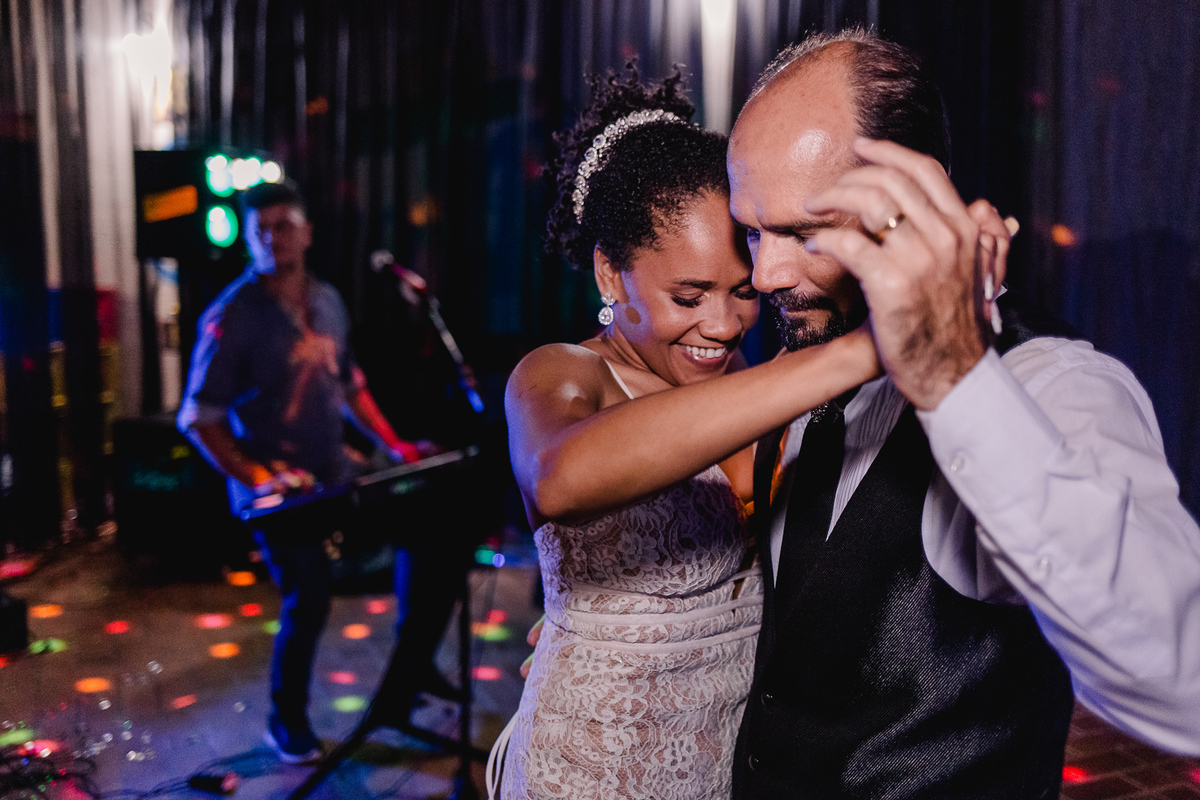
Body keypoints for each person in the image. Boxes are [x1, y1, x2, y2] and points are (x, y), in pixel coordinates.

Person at [725, 28, 1200, 798]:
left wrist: (955, 382)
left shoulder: (1055, 386)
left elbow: (1183, 678)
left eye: (804, 232)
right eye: (752, 229)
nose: (766, 272)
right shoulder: (805, 365)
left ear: (917, 200)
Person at [494, 68, 881, 799]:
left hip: (722, 761)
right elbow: (560, 475)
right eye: (688, 295)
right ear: (611, 275)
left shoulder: (749, 383)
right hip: (596, 766)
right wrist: (866, 349)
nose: (724, 324)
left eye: (741, 291)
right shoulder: (563, 374)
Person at [177, 180, 461, 764]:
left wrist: (394, 445)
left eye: (282, 226)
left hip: (334, 471)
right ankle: (286, 723)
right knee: (309, 597)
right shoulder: (230, 316)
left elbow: (349, 386)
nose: (270, 238)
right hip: (276, 490)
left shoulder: (328, 299)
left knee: (429, 526)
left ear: (306, 233)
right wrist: (258, 476)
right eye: (258, 230)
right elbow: (197, 418)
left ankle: (411, 669)